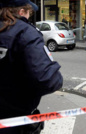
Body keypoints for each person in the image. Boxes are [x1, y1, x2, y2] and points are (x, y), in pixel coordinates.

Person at [0, 0, 63, 134]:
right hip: (14, 119)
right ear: (22, 12)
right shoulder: (25, 32)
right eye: (29, 13)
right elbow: (47, 79)